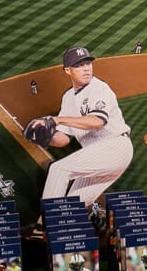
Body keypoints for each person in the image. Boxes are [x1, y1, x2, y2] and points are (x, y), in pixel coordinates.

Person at [40, 45, 134, 208]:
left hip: (115, 146)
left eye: (88, 63)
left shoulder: (99, 88)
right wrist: (45, 137)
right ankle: (54, 224)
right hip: (96, 155)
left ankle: (47, 222)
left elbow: (97, 121)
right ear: (68, 70)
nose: (86, 69)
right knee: (73, 205)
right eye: (79, 65)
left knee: (58, 170)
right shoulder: (68, 98)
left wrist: (58, 120)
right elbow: (63, 139)